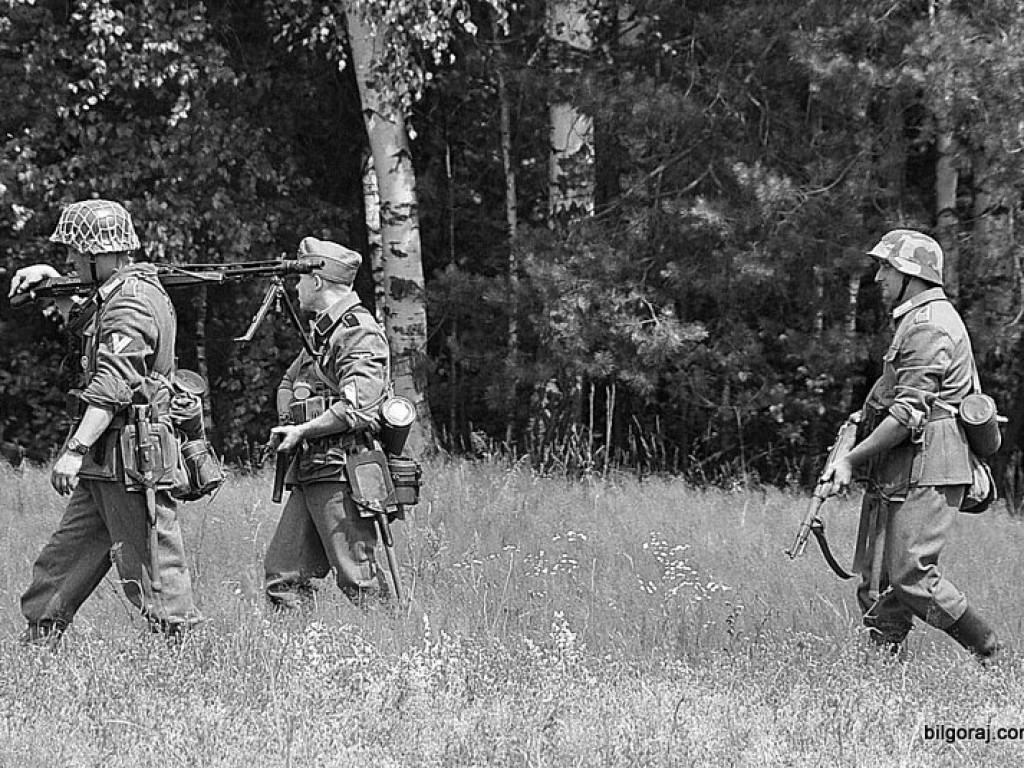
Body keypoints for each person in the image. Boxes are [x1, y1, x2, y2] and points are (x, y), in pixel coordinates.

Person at [8, 199, 199, 644]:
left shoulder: (130, 302)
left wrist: (74, 450)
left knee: (153, 572)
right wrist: (52, 282)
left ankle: (183, 655)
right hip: (108, 458)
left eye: (75, 251)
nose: (70, 258)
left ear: (100, 252)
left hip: (131, 458)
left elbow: (114, 382)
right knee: (63, 561)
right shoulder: (117, 293)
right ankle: (38, 643)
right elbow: (86, 325)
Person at [825, 229, 1000, 662]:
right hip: (909, 464)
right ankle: (885, 672)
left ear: (913, 274)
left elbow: (907, 413)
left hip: (933, 464)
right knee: (879, 579)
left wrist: (851, 459)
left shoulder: (929, 325)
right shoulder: (915, 320)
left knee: (911, 575)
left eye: (887, 267)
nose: (878, 277)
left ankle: (990, 653)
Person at [265, 236, 392, 610]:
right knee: (283, 577)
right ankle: (299, 647)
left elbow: (359, 407)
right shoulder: (323, 333)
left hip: (343, 471)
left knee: (359, 579)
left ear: (317, 281)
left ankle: (399, 639)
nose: (296, 288)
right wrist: (289, 421)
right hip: (313, 468)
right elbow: (289, 381)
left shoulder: (358, 331)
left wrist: (303, 429)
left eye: (301, 279)